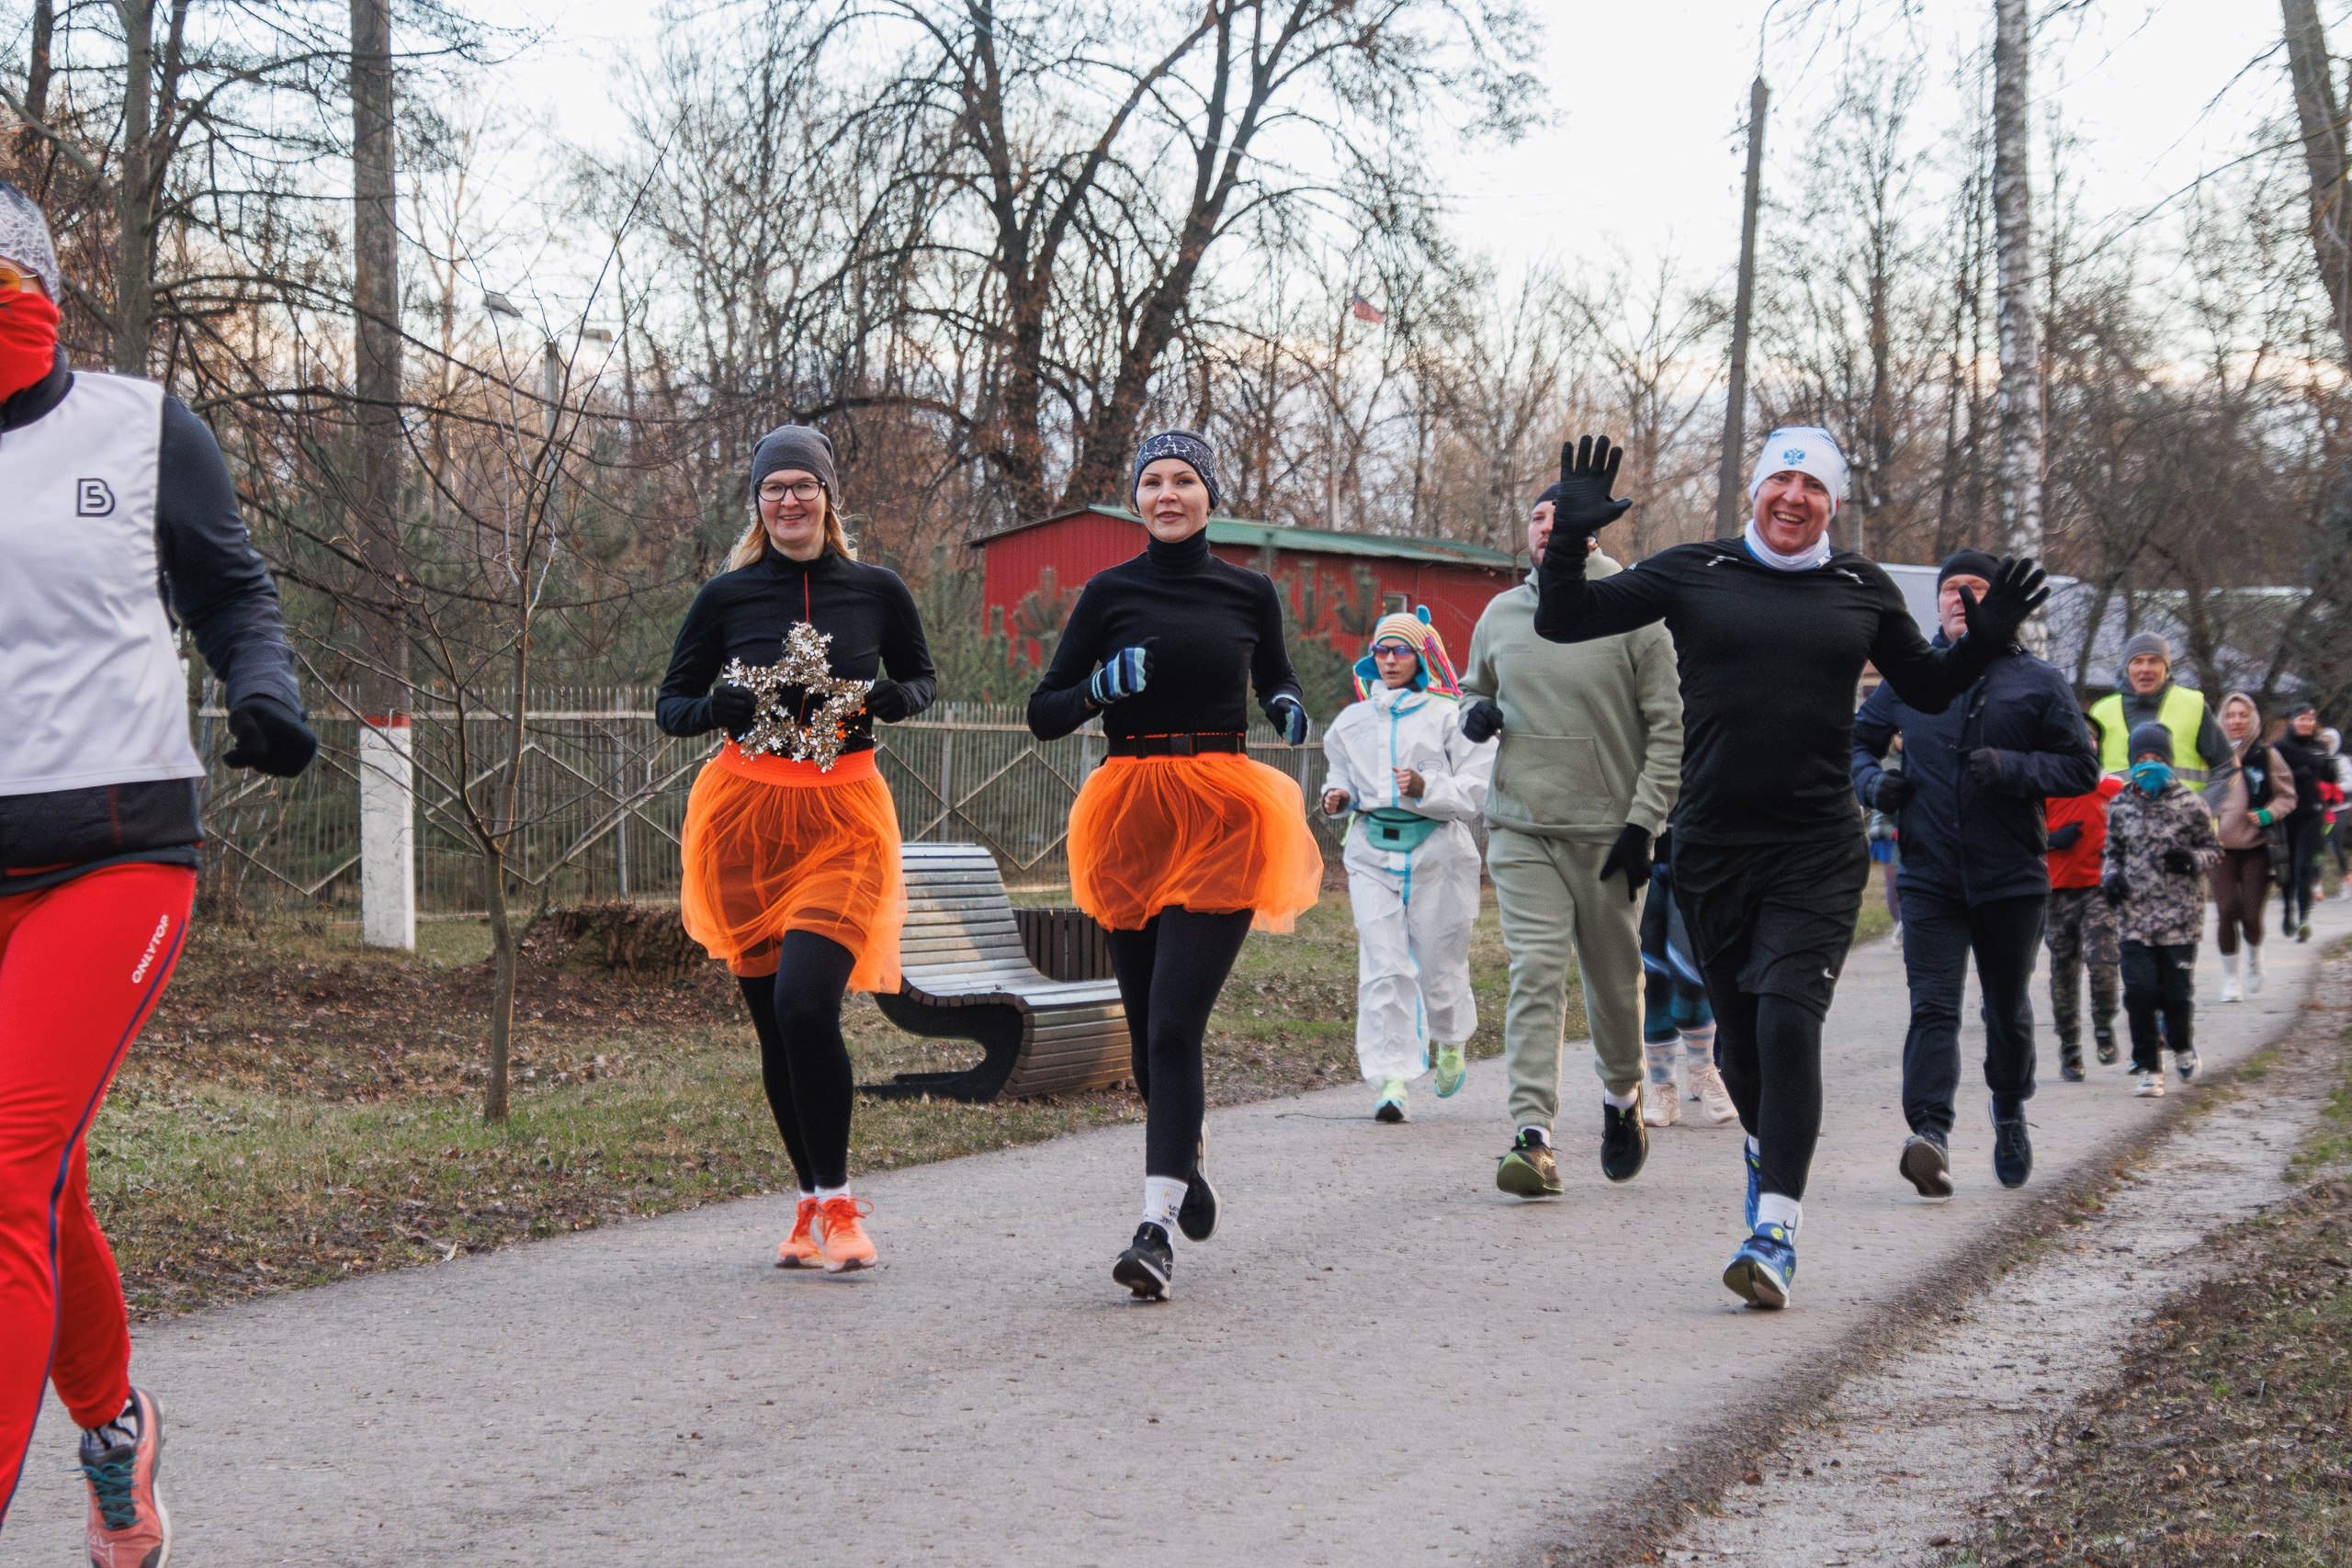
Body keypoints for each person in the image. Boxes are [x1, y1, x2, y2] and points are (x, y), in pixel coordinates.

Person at [1532, 426, 2044, 1309]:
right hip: (1712, 849)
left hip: (1815, 847)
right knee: (1740, 1048)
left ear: (1832, 505)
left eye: (1813, 485)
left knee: (1786, 1023)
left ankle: (1774, 1231)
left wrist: (1985, 642)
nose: (1794, 496)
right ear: (1757, 492)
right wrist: (1571, 541)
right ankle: (1768, 1154)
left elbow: (1924, 687)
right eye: (1782, 479)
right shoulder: (1698, 571)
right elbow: (1565, 617)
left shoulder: (1860, 588)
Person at [0, 181, 318, 1562]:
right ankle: (113, 1421)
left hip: (115, 849)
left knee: (6, 1155)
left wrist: (264, 683)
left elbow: (231, 586)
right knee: (39, 1177)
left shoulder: (138, 427)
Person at [1026, 430, 1321, 1300]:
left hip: (1225, 810)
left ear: (1207, 495)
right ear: (1136, 498)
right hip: (1129, 815)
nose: (1167, 493)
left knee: (1172, 1025)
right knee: (1148, 1027)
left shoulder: (1249, 590)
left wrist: (1286, 702)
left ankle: (1152, 1228)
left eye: (1183, 479)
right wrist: (1097, 690)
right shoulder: (1108, 593)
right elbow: (1044, 712)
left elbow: (1279, 676)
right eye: (1152, 479)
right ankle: (1185, 1154)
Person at [659, 423, 937, 1276]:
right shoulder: (727, 595)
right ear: (758, 502)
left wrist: (896, 697)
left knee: (807, 1006)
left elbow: (925, 678)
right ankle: (811, 1202)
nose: (789, 500)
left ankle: (842, 1202)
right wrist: (718, 712)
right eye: (774, 487)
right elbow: (671, 704)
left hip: (844, 819)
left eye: (803, 486)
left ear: (828, 497)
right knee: (776, 1031)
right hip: (743, 822)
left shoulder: (876, 589)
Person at [1459, 479, 1683, 1198]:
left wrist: (1645, 823)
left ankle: (1623, 1098)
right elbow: (1475, 686)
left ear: (1591, 530)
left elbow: (1668, 729)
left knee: (1615, 986)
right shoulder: (1502, 613)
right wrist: (1476, 714)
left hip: (1611, 833)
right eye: (1535, 516)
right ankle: (1534, 1136)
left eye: (1558, 517)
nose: (1543, 527)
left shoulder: (1635, 611)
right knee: (1535, 971)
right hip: (1523, 824)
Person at [1852, 550, 2098, 1196]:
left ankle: (2010, 1108)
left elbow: (2081, 769)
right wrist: (1875, 781)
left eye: (1976, 589)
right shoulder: (1909, 678)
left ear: (2001, 605)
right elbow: (1856, 742)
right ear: (1935, 604)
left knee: (2006, 1010)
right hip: (1929, 873)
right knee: (1933, 1007)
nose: (1961, 598)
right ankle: (1930, 1133)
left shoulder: (2038, 682)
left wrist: (2016, 769)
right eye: (1950, 589)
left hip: (2012, 877)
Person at [1318, 608, 1494, 1122]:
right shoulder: (1353, 721)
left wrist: (1425, 788)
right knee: (1383, 965)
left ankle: (1450, 1039)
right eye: (1382, 650)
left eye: (1401, 650)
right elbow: (1341, 772)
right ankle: (1391, 1079)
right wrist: (1338, 795)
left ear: (1420, 657)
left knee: (1439, 964)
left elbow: (1474, 792)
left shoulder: (1449, 716)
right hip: (1371, 852)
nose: (1390, 659)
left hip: (1438, 852)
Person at [2104, 724, 2220, 1097]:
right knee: (2138, 992)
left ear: (2169, 762)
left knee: (2175, 995)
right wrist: (2111, 878)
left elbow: (2213, 850)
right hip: (2134, 915)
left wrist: (2191, 858)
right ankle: (2150, 1067)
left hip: (2179, 918)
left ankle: (2182, 1045)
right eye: (2141, 759)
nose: (2148, 765)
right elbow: (2112, 853)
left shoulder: (2192, 804)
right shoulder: (2121, 804)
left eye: (2156, 758)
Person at [1639, 829, 1737, 1128]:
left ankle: (1703, 1068)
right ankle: (1662, 1086)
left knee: (1692, 971)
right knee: (1651, 976)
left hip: (1699, 843)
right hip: (1640, 841)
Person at [2208, 693, 2294, 1002]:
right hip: (2219, 848)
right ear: (2222, 720)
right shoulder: (2211, 755)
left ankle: (2255, 959)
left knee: (2251, 916)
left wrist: (2269, 812)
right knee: (2227, 909)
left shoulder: (2267, 755)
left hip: (2257, 846)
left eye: (2242, 715)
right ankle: (2232, 979)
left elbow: (2287, 796)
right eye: (2230, 715)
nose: (2236, 721)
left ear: (2252, 718)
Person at [2043, 764, 2126, 1077]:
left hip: (2098, 890)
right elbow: (2018, 834)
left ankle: (2104, 1024)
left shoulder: (2111, 789)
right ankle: (2070, 1048)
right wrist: (2051, 839)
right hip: (2057, 892)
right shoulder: (2045, 789)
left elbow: (2133, 827)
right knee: (2064, 969)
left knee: (2103, 961)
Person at [2086, 632, 2227, 786]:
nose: (2145, 669)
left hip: (2183, 808)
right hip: (2120, 809)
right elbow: (2084, 771)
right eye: (2137, 661)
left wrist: (2204, 806)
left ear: (2167, 668)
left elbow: (2226, 768)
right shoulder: (2101, 712)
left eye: (2153, 661)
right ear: (2127, 669)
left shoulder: (2193, 705)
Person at [2272, 704, 2328, 942]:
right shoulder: (2279, 748)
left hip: (2313, 815)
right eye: (2301, 719)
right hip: (2287, 816)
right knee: (2288, 870)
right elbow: (2272, 778)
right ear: (2292, 722)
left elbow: (2329, 777)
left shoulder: (2319, 747)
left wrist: (2330, 772)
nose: (2306, 724)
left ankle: (2304, 918)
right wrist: (2298, 775)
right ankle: (2288, 910)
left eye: (2310, 720)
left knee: (2304, 866)